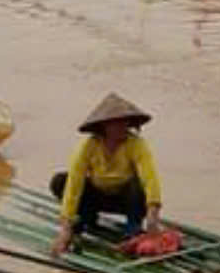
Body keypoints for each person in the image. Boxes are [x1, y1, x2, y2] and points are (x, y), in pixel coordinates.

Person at [48, 93, 163, 255]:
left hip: (127, 200)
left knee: (137, 184)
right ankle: (87, 217)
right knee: (60, 181)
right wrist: (65, 228)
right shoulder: (88, 146)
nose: (123, 127)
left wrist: (152, 214)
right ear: (105, 127)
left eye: (125, 122)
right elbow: (74, 183)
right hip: (98, 197)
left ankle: (132, 228)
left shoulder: (137, 144)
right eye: (117, 123)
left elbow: (150, 178)